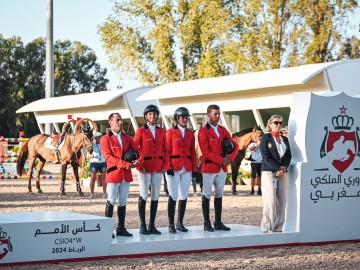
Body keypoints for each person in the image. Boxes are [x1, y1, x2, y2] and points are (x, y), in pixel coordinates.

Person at [100, 113, 143, 237]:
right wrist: (125, 164)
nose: (120, 122)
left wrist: (139, 160)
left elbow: (138, 150)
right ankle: (107, 230)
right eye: (117, 120)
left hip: (126, 175)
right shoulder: (105, 139)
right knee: (111, 200)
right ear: (111, 122)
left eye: (121, 120)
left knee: (123, 202)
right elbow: (108, 157)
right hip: (114, 174)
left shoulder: (127, 138)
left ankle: (121, 228)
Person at [198, 104, 239, 232]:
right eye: (215, 114)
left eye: (219, 113)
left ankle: (218, 222)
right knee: (206, 195)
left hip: (222, 169)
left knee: (219, 195)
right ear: (208, 115)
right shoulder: (202, 132)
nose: (217, 116)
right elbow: (206, 152)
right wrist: (222, 160)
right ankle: (206, 223)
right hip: (209, 168)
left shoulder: (223, 130)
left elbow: (235, 145)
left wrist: (230, 159)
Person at [134, 104, 166, 235]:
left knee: (155, 195)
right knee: (144, 194)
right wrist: (139, 164)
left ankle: (152, 225)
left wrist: (165, 165)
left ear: (157, 115)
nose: (152, 116)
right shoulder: (140, 131)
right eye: (150, 114)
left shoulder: (161, 131)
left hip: (158, 167)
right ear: (146, 116)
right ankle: (142, 225)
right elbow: (135, 148)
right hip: (144, 167)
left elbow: (165, 149)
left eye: (154, 114)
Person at [164, 107, 197, 233]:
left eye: (186, 117)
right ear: (177, 118)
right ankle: (171, 224)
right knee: (173, 195)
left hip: (187, 167)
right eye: (183, 117)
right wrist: (168, 166)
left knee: (183, 196)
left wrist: (194, 168)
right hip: (174, 166)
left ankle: (180, 222)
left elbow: (193, 152)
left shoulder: (190, 133)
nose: (185, 119)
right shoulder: (170, 132)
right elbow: (166, 150)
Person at [260, 115, 292, 233]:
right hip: (269, 171)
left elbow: (288, 156)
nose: (278, 125)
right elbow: (265, 156)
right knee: (270, 201)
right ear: (270, 124)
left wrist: (283, 168)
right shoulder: (266, 138)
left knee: (282, 201)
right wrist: (277, 167)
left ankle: (278, 226)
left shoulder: (285, 139)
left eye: (280, 123)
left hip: (283, 172)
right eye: (275, 123)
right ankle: (266, 225)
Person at [88, 132, 107, 199]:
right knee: (93, 178)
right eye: (99, 137)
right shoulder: (92, 145)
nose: (100, 138)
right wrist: (91, 156)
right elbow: (87, 154)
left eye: (101, 136)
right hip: (94, 162)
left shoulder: (105, 145)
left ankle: (104, 193)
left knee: (104, 178)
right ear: (96, 138)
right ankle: (91, 193)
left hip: (103, 162)